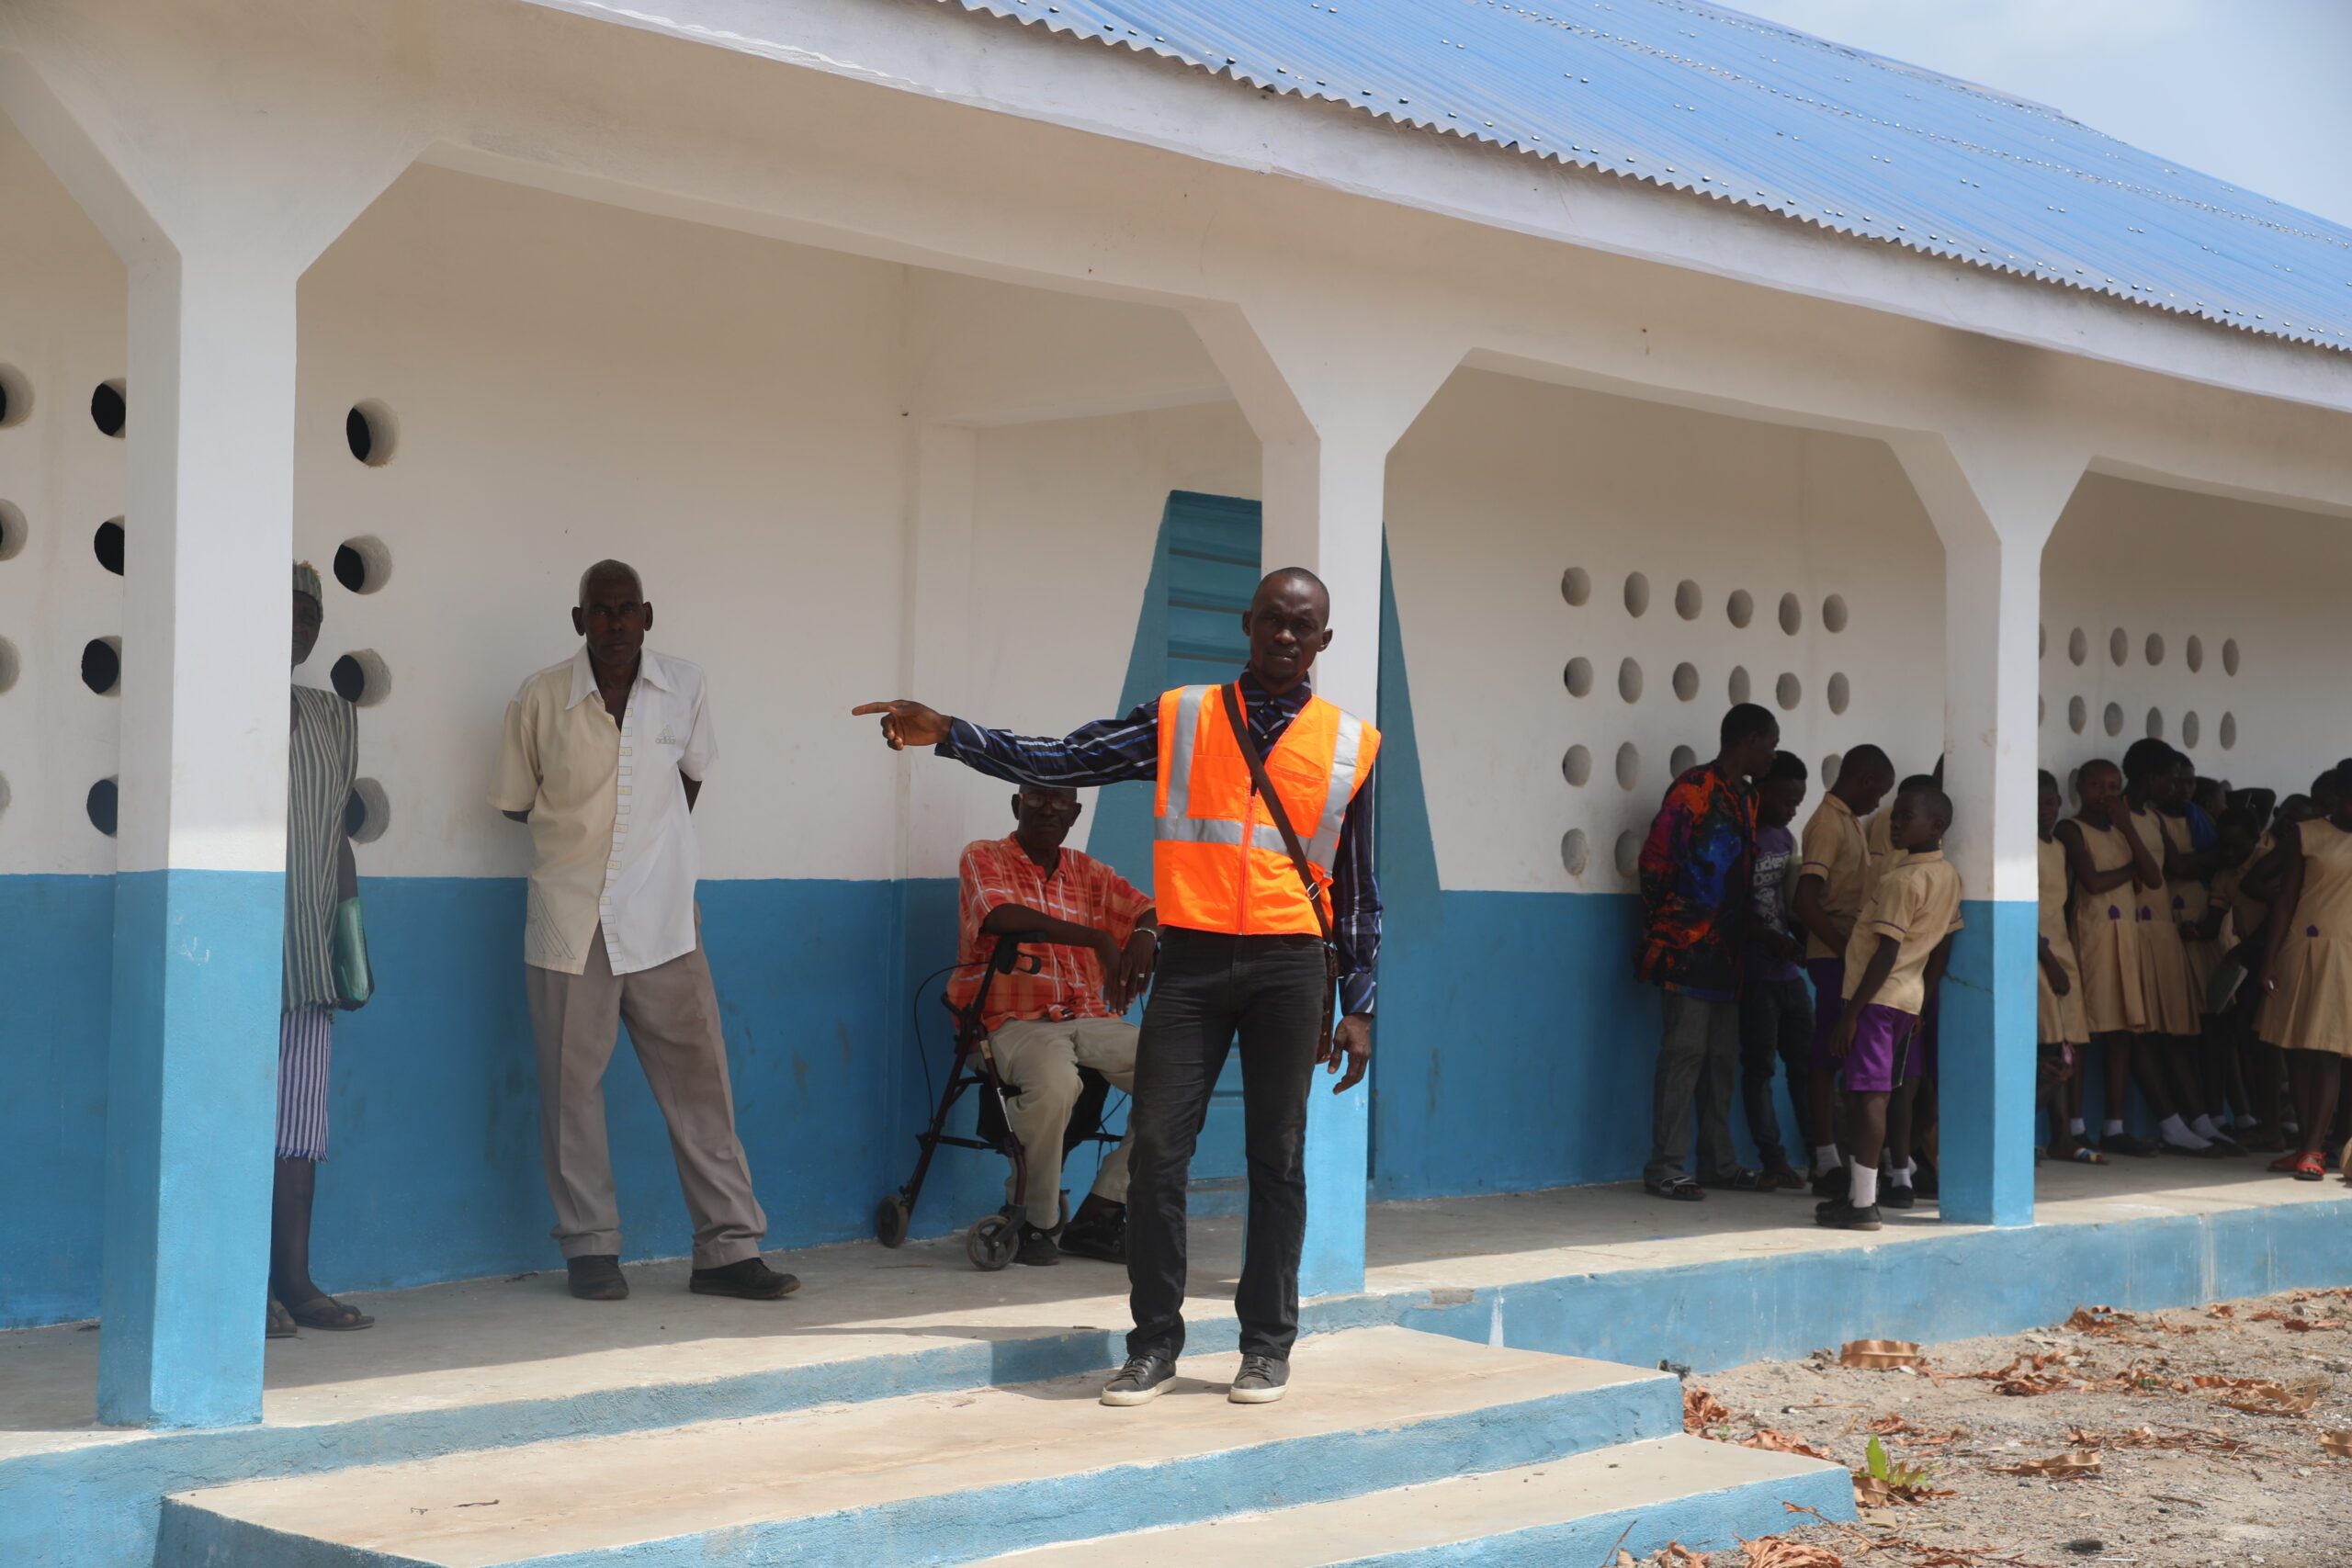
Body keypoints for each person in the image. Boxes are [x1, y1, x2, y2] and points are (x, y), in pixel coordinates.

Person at [854, 568, 1378, 1409]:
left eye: (1303, 625)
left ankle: (1266, 1346)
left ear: (1324, 641)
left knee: (1275, 1159)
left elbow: (1357, 882)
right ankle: (1154, 1345)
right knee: (1162, 1150)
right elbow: (1064, 757)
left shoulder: (1352, 743)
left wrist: (1360, 1001)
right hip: (1196, 960)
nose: (1285, 636)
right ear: (1247, 624)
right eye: (1272, 621)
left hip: (1290, 965)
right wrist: (949, 732)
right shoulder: (1185, 718)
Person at [491, 560, 793, 1303]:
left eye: (628, 610)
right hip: (571, 920)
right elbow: (514, 803)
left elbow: (688, 780)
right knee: (571, 1093)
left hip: (664, 918)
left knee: (702, 1086)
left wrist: (645, 857)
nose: (615, 624)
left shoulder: (683, 687)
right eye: (600, 611)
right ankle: (591, 1249)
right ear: (579, 620)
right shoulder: (540, 699)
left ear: (649, 615)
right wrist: (586, 844)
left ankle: (726, 1250)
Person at [950, 784, 1155, 1265]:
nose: (1047, 811)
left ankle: (1102, 1211)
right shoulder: (985, 856)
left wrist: (1143, 932)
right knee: (1057, 1084)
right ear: (1017, 805)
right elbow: (1000, 915)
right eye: (1036, 801)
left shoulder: (1087, 871)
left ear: (1075, 813)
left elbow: (1146, 907)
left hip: (1088, 1017)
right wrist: (1098, 938)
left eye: (1059, 804)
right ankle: (1035, 1220)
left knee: (1177, 1075)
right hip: (1013, 1021)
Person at [269, 562, 373, 1337]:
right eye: (284, 611)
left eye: (310, 615)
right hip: (234, 960)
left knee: (299, 1128)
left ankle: (296, 1282)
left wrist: (351, 946)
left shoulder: (336, 716)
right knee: (232, 1124)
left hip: (307, 956)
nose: (299, 628)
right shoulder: (212, 702)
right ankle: (245, 1288)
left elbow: (337, 832)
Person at [1634, 704, 1781, 1201]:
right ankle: (1666, 1167)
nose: (1773, 754)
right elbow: (1656, 860)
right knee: (1684, 1054)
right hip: (1688, 950)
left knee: (1721, 1058)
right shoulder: (1692, 790)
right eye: (1771, 743)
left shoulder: (1746, 798)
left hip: (1729, 955)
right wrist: (1667, 929)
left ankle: (1718, 1162)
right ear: (1750, 740)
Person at [1817, 784, 1962, 1231]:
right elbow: (1942, 947)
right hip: (1906, 998)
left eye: (1906, 817)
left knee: (1869, 1098)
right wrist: (1921, 998)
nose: (1896, 824)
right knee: (1874, 1094)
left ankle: (1862, 1204)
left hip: (1878, 1001)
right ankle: (1860, 1196)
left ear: (1936, 826)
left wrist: (1851, 1013)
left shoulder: (1904, 881)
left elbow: (1885, 952)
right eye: (1895, 816)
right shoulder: (1947, 876)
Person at [1792, 745, 1895, 1199]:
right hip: (1833, 954)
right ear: (1866, 780)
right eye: (1879, 794)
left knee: (1840, 1050)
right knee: (1828, 1052)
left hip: (1847, 954)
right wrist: (1842, 949)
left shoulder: (1849, 820)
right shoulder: (1827, 824)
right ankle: (1826, 1156)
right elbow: (1805, 900)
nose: (1878, 806)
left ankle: (1846, 1157)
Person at [2121, 740, 2231, 1153]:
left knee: (2177, 1033)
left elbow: (2173, 867)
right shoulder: (2118, 817)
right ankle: (2169, 1122)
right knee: (2143, 1034)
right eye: (2170, 778)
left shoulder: (2153, 818)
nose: (2175, 786)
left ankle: (2199, 1119)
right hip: (2132, 933)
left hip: (2163, 932)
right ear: (2151, 778)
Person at [2255, 770, 2352, 1180]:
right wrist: (2269, 958)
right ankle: (2302, 1148)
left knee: (2328, 1051)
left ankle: (2316, 1147)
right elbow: (2285, 901)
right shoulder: (2306, 834)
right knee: (2295, 1048)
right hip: (2302, 947)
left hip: (2346, 954)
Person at [1736, 751, 1815, 1191]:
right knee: (1760, 1069)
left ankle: (1819, 1153)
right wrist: (1772, 942)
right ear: (1762, 792)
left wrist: (1798, 942)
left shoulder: (1785, 840)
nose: (1791, 810)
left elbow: (1788, 904)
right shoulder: (1742, 838)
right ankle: (1773, 1159)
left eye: (1798, 802)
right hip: (1756, 975)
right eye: (1786, 799)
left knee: (1805, 1066)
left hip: (1788, 975)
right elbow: (1731, 910)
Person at [2036, 769, 2097, 1164]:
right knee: (2045, 1048)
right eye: (2039, 802)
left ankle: (2063, 1134)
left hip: (2061, 952)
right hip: (2038, 955)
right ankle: (2024, 1131)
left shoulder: (2057, 847)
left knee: (2066, 1046)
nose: (2048, 809)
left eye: (2053, 800)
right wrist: (2048, 961)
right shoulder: (2021, 848)